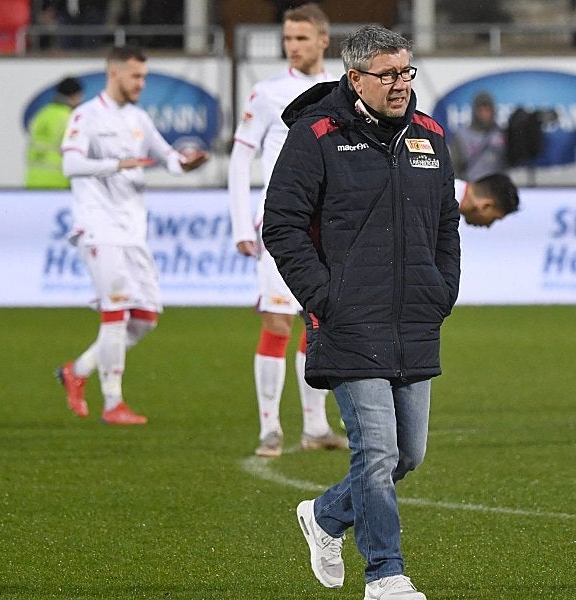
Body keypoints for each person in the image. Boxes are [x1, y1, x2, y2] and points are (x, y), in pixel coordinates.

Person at [262, 25, 460, 600]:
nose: (400, 84)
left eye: (406, 71)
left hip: (413, 320)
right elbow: (282, 225)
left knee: (407, 455)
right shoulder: (315, 135)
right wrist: (325, 298)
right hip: (348, 322)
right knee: (375, 452)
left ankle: (325, 516)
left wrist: (441, 287)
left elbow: (446, 223)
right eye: (388, 74)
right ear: (355, 79)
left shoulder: (429, 135)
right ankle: (385, 575)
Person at [55, 45, 208, 425]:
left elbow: (168, 158)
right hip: (98, 226)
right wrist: (117, 163)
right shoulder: (86, 116)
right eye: (135, 76)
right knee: (117, 311)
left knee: (145, 316)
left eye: (144, 76)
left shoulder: (139, 118)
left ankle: (77, 371)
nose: (141, 83)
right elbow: (70, 162)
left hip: (132, 230)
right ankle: (112, 403)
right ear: (114, 73)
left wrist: (186, 163)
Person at [228, 3, 347, 457]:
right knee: (276, 321)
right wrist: (242, 223)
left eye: (301, 38)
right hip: (284, 225)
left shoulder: (342, 88)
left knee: (319, 323)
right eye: (287, 39)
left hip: (330, 229)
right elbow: (241, 159)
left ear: (323, 38)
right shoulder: (267, 93)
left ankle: (315, 427)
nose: (292, 47)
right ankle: (269, 429)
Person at [25, 77, 84, 189]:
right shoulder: (70, 118)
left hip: (32, 182)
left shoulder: (41, 114)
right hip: (58, 184)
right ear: (75, 96)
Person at [448, 90, 508, 182]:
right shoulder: (462, 136)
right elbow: (454, 167)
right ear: (475, 112)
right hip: (472, 189)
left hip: (497, 189)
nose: (485, 114)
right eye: (481, 110)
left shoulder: (502, 134)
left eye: (487, 110)